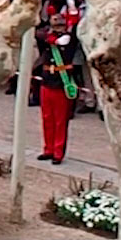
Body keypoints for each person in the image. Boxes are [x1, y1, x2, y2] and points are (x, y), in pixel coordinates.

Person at [37, 10, 78, 163]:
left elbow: (67, 40)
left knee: (60, 120)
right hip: (47, 80)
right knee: (46, 118)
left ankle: (58, 152)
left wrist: (73, 10)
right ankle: (48, 148)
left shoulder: (69, 38)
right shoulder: (48, 38)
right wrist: (51, 37)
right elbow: (38, 34)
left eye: (60, 26)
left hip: (62, 81)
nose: (58, 29)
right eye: (55, 26)